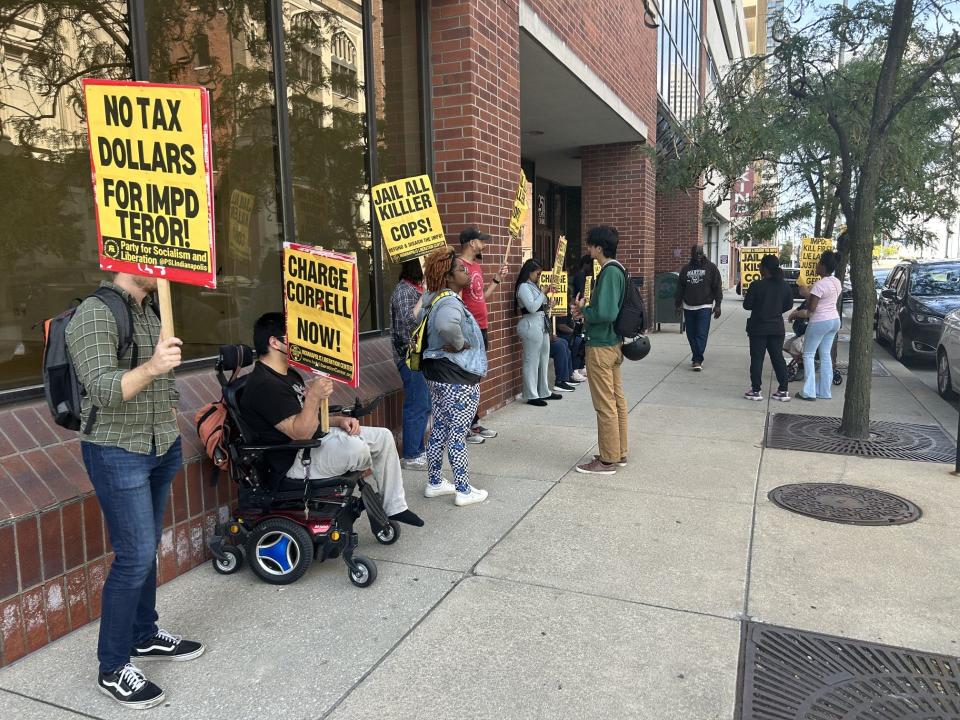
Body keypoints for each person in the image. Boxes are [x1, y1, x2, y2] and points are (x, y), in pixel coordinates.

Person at [65, 272, 204, 710]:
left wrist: (167, 401)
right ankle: (112, 666)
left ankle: (145, 634)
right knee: (134, 556)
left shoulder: (151, 310)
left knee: (146, 549)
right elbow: (104, 389)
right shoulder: (95, 313)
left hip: (160, 445)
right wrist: (153, 367)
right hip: (116, 449)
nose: (161, 261)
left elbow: (164, 384)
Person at [239, 313, 423, 528]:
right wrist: (314, 397)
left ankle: (395, 507)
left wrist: (338, 421)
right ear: (274, 342)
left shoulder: (288, 374)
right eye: (293, 336)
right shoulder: (264, 385)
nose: (300, 341)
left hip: (314, 443)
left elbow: (307, 416)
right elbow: (300, 434)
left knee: (382, 437)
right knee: (357, 448)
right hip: (293, 459)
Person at [418, 247, 489, 506]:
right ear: (447, 277)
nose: (466, 272)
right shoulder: (448, 301)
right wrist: (459, 345)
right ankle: (463, 489)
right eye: (460, 269)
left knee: (439, 428)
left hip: (438, 373)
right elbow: (446, 326)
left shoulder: (433, 298)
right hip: (455, 376)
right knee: (457, 431)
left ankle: (435, 482)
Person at [572, 225, 628, 475]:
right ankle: (618, 451)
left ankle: (607, 460)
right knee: (616, 401)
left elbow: (605, 313)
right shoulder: (618, 270)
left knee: (605, 404)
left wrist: (584, 311)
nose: (588, 249)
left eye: (590, 244)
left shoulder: (608, 272)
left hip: (601, 346)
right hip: (614, 344)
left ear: (598, 247)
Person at [458, 226, 508, 443]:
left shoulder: (477, 266)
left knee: (476, 376)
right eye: (481, 241)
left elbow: (481, 297)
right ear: (471, 243)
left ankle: (473, 421)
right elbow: (457, 298)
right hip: (469, 328)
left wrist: (496, 280)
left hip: (482, 326)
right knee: (466, 375)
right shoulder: (459, 266)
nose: (484, 244)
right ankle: (464, 425)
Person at [390, 260, 431, 470]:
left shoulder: (415, 289)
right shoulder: (404, 291)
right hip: (409, 356)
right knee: (417, 404)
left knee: (424, 404)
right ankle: (411, 454)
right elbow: (410, 321)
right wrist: (424, 298)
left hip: (419, 355)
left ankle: (418, 449)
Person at [789, 250, 842, 400]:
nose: (816, 266)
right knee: (825, 355)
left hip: (820, 321)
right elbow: (825, 300)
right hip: (834, 321)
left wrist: (796, 313)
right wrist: (808, 294)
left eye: (818, 264)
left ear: (823, 266)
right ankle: (824, 391)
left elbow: (811, 309)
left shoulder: (819, 284)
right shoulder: (836, 282)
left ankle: (808, 391)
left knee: (808, 354)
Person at [742, 254, 794, 402]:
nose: (759, 269)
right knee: (778, 358)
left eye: (760, 266)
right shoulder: (784, 286)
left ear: (764, 268)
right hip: (777, 327)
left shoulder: (757, 285)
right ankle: (783, 390)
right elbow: (789, 305)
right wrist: (776, 309)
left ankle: (756, 390)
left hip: (758, 327)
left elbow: (747, 305)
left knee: (757, 358)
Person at [515, 258, 565, 406]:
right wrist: (543, 294)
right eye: (537, 273)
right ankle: (531, 394)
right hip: (530, 324)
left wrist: (549, 304)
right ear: (529, 272)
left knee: (543, 358)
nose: (539, 276)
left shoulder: (534, 287)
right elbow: (531, 307)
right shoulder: (524, 287)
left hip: (541, 323)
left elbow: (540, 307)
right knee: (532, 360)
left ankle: (544, 390)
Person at [675, 244, 722, 371]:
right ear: (691, 254)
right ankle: (697, 356)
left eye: (700, 253)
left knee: (701, 334)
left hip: (704, 306)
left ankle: (697, 359)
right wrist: (678, 304)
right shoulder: (685, 269)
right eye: (696, 254)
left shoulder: (711, 268)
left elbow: (717, 286)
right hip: (688, 307)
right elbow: (680, 288)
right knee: (691, 335)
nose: (698, 256)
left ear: (703, 253)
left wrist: (718, 304)